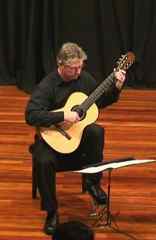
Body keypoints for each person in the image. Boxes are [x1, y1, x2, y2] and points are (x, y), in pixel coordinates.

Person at [25, 42, 126, 235]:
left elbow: (101, 100)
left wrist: (117, 87)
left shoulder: (84, 79)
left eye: (81, 66)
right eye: (74, 68)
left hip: (77, 142)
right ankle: (52, 211)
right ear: (60, 65)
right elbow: (31, 115)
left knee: (96, 131)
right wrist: (63, 116)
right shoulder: (47, 85)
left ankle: (92, 183)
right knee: (42, 160)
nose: (79, 72)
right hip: (52, 141)